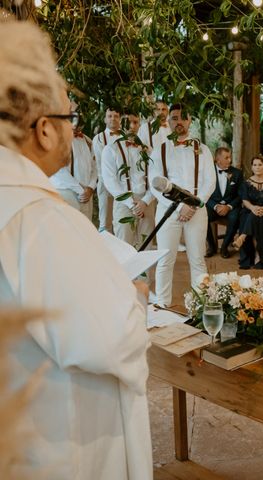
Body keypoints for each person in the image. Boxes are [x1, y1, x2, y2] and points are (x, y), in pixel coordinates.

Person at [0, 19, 152, 479]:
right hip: (63, 437)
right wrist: (135, 299)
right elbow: (107, 341)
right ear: (45, 130)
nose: (73, 130)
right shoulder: (40, 218)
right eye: (70, 118)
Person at [149, 103, 216, 307]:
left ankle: (200, 307)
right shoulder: (159, 150)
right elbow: (155, 184)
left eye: (183, 118)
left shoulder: (203, 150)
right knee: (165, 260)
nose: (179, 122)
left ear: (189, 121)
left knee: (197, 259)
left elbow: (209, 182)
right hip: (167, 211)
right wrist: (179, 207)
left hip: (196, 211)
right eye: (175, 118)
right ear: (168, 121)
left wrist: (193, 205)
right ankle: (162, 305)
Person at [102, 112, 155, 246]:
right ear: (121, 123)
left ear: (139, 125)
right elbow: (110, 181)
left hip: (146, 202)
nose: (131, 126)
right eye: (127, 122)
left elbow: (155, 179)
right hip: (123, 203)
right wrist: (131, 204)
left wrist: (145, 201)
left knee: (145, 246)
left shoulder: (148, 151)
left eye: (135, 122)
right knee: (124, 247)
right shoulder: (110, 149)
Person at [234, 155, 263, 269]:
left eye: (260, 164)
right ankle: (257, 255)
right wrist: (253, 208)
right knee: (253, 215)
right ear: (251, 167)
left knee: (258, 217)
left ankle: (243, 237)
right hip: (250, 210)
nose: (257, 167)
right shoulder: (246, 183)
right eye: (254, 165)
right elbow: (245, 200)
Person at [49, 120, 97, 220]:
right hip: (66, 192)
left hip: (87, 194)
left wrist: (91, 187)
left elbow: (94, 167)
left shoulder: (88, 141)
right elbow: (59, 169)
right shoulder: (58, 139)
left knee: (85, 230)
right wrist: (80, 189)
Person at [205, 147, 243, 258]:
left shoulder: (237, 173)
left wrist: (229, 206)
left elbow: (240, 194)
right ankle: (211, 246)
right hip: (213, 205)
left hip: (231, 206)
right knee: (203, 216)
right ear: (218, 159)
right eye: (226, 157)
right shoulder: (208, 172)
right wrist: (216, 206)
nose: (230, 160)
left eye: (230, 157)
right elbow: (205, 193)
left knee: (235, 217)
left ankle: (225, 247)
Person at [92, 107, 121, 232]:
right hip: (105, 183)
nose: (113, 119)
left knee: (121, 220)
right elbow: (100, 164)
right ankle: (106, 249)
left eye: (115, 116)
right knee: (105, 221)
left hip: (123, 184)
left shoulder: (126, 137)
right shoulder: (98, 138)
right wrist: (109, 184)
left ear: (120, 119)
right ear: (105, 119)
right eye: (110, 116)